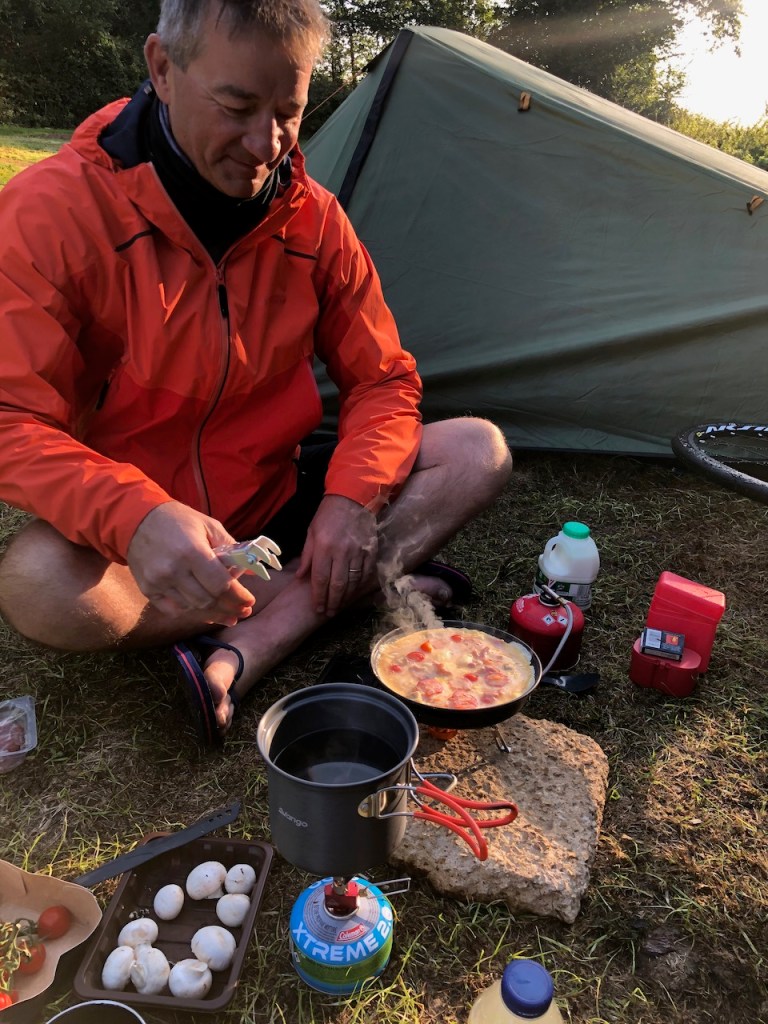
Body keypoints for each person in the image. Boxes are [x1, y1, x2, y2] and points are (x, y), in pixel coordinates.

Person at [0, 0, 513, 745]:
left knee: (476, 451)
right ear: (162, 69)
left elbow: (383, 380)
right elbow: (11, 421)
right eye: (237, 106)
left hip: (277, 499)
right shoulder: (49, 215)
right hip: (146, 540)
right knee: (38, 584)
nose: (265, 144)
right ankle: (332, 591)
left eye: (289, 112)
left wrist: (351, 500)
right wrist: (134, 517)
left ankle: (257, 638)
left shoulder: (315, 221)